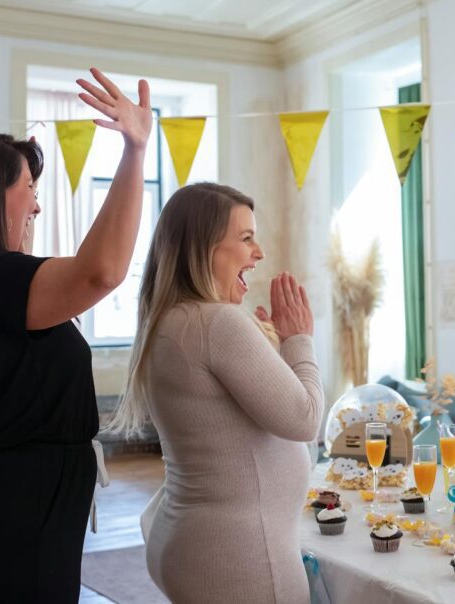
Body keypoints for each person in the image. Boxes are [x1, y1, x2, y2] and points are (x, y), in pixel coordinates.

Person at [0, 69, 152, 602]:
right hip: (4, 531)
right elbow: (100, 272)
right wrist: (135, 152)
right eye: (29, 189)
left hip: (18, 522)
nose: (37, 206)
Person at [107, 183, 323, 603]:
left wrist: (273, 350)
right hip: (239, 558)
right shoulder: (217, 323)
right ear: (204, 249)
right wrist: (299, 340)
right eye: (246, 238)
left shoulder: (170, 320)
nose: (259, 252)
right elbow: (305, 419)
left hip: (192, 542)